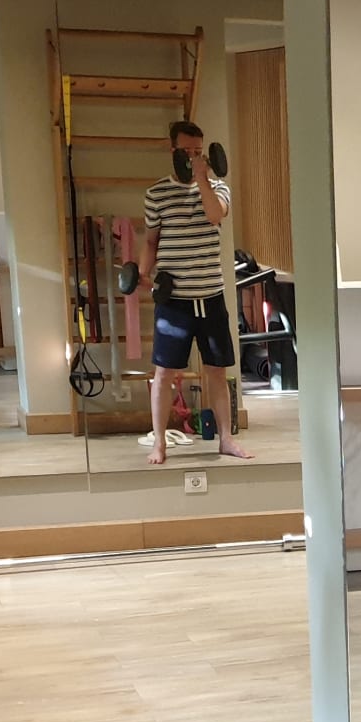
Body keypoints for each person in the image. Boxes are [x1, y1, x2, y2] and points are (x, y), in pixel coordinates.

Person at [142, 120, 250, 465]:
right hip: (174, 300)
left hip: (211, 295)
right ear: (171, 149)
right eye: (186, 151)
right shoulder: (156, 194)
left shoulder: (218, 188)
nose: (192, 157)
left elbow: (214, 215)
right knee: (164, 372)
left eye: (197, 152)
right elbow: (151, 242)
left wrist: (202, 178)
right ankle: (160, 442)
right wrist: (142, 273)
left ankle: (226, 439)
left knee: (216, 370)